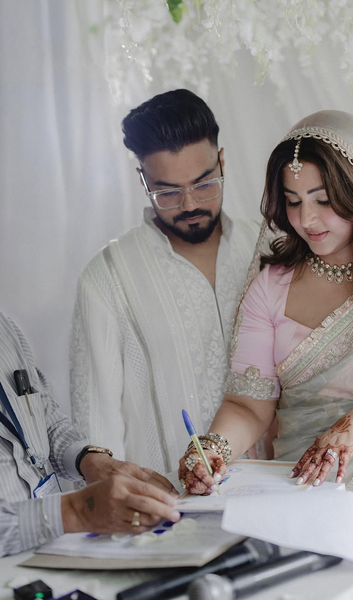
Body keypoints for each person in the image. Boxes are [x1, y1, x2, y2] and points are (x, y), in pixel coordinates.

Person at [178, 110, 353, 597]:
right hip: (299, 512)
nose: (307, 219)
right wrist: (214, 449)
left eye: (324, 200)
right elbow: (248, 405)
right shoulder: (271, 287)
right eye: (293, 201)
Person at [70, 89, 259, 474]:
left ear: (222, 162)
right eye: (168, 192)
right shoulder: (107, 277)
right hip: (169, 502)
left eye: (204, 184)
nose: (189, 204)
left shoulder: (267, 249)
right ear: (143, 180)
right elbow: (96, 428)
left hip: (279, 492)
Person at [0, 311, 180, 558]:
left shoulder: (6, 327)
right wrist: (77, 511)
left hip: (60, 548)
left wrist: (91, 461)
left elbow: (44, 420)